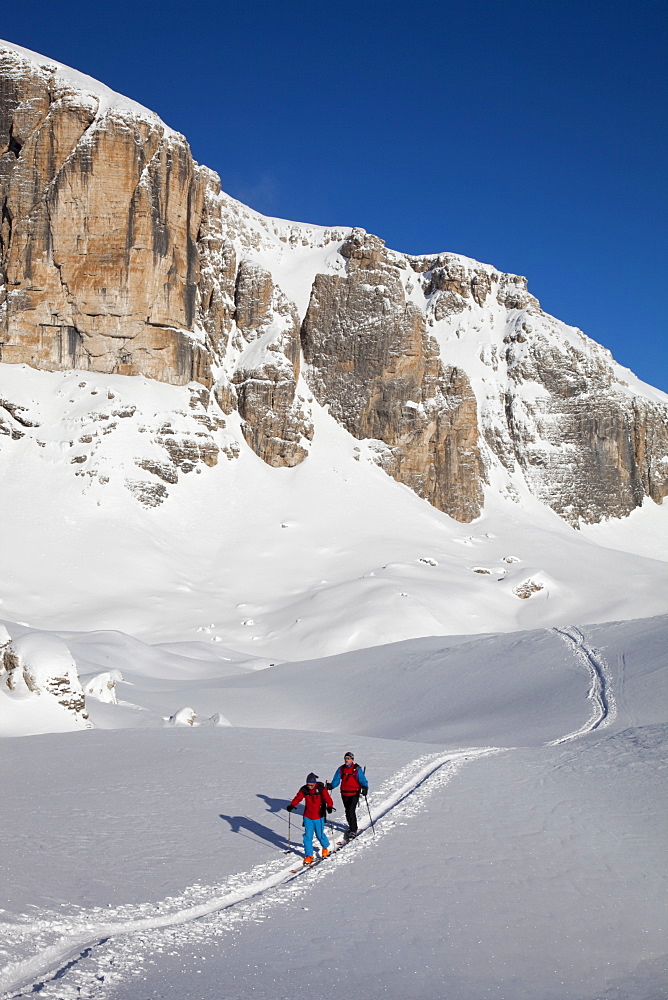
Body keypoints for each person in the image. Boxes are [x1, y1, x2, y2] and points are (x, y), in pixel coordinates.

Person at [287, 772, 335, 865]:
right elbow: (298, 798)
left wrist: (329, 806)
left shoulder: (321, 789)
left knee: (319, 835)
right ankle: (309, 855)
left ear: (315, 783)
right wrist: (292, 805)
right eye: (308, 785)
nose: (309, 787)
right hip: (308, 816)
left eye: (311, 785)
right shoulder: (304, 790)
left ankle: (325, 848)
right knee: (307, 837)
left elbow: (327, 799)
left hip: (318, 816)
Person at [328, 751, 368, 841]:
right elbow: (336, 780)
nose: (346, 760)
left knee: (351, 810)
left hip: (354, 793)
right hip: (344, 793)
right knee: (347, 811)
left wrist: (365, 788)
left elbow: (363, 780)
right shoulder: (341, 769)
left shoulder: (356, 769)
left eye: (348, 758)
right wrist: (331, 786)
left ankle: (354, 829)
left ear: (352, 760)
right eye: (345, 758)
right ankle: (351, 826)